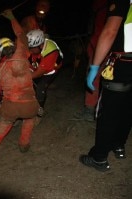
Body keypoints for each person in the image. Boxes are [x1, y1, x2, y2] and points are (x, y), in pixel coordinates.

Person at [0, 9, 40, 174]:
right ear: (12, 46)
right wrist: (12, 18)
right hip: (30, 105)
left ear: (0, 53)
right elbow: (20, 33)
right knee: (29, 118)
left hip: (9, 108)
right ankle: (24, 144)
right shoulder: (23, 53)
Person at [79, 0, 132, 172]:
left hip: (122, 62)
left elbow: (110, 30)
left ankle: (99, 157)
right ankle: (119, 146)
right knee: (128, 108)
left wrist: (95, 65)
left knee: (109, 111)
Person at [73, 0, 108, 122]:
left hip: (104, 46)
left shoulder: (108, 5)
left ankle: (94, 110)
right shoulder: (98, 7)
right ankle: (92, 109)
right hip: (99, 45)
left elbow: (107, 31)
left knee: (97, 78)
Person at [27, 29, 63, 117]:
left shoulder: (50, 53)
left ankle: (39, 111)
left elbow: (38, 73)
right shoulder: (37, 47)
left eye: (32, 48)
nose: (30, 50)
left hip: (50, 70)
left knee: (40, 88)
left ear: (40, 46)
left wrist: (23, 77)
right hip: (40, 63)